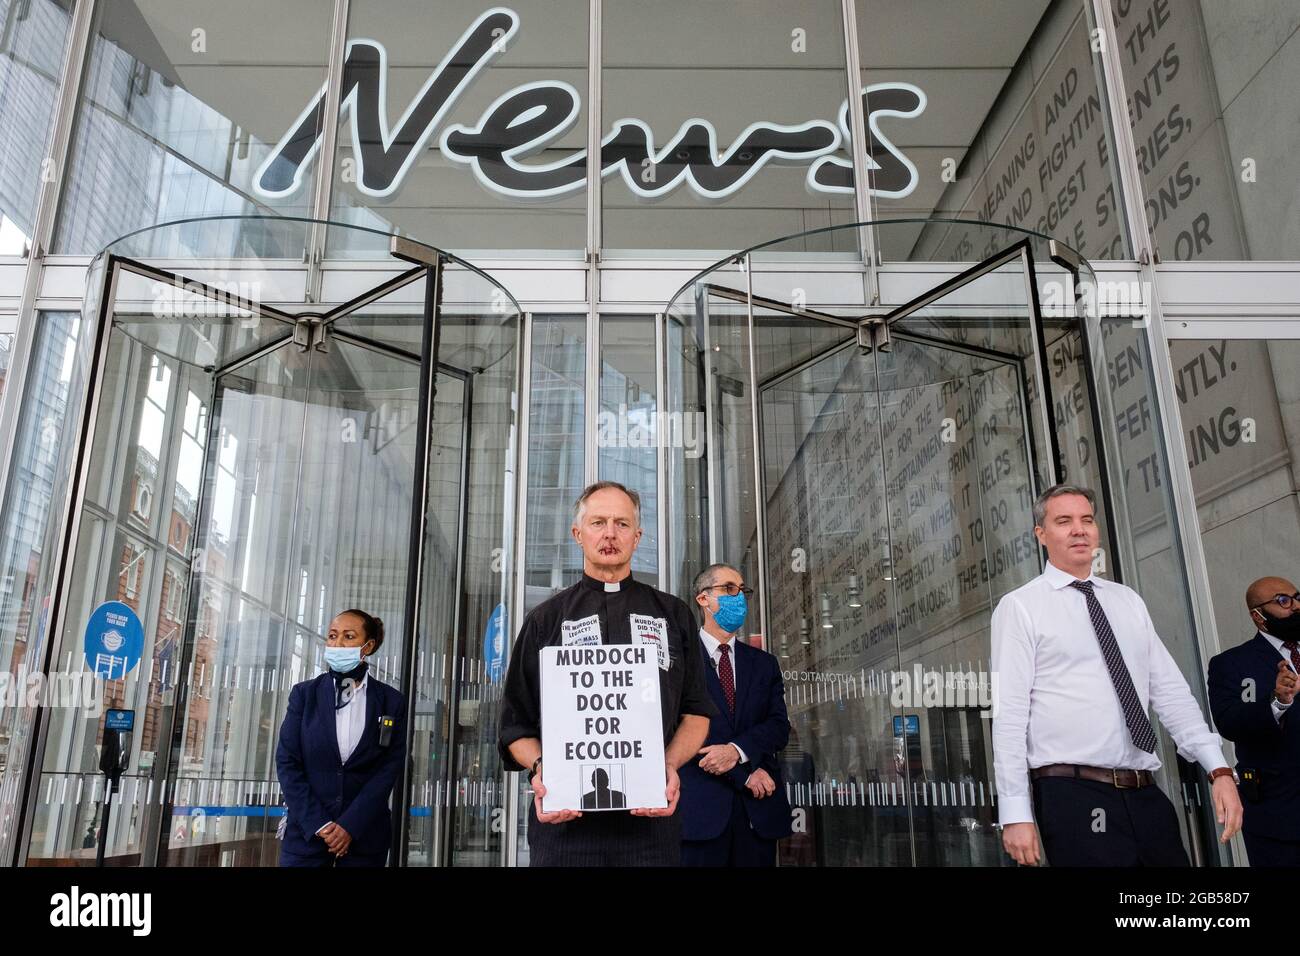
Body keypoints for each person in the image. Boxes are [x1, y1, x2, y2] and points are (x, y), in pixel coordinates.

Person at [992, 483, 1241, 866]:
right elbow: (1009, 716)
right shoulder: (1021, 607)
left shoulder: (1127, 601)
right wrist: (1015, 813)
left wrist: (1218, 769)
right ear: (1041, 534)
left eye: (1086, 520)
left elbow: (1171, 694)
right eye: (1064, 521)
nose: (1079, 529)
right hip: (1073, 794)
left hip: (1144, 791)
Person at [498, 481, 714, 866]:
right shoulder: (545, 620)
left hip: (650, 828)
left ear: (638, 536)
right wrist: (543, 767)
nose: (610, 533)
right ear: (578, 534)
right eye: (598, 522)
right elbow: (515, 726)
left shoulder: (673, 614)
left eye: (622, 523)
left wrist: (667, 765)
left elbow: (696, 712)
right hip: (565, 829)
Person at [679, 562, 792, 866]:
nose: (738, 597)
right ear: (703, 598)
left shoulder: (763, 664)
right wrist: (744, 773)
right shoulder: (680, 663)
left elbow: (779, 727)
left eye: (743, 591)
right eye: (728, 589)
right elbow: (679, 732)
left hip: (757, 815)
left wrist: (738, 752)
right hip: (700, 817)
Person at [275, 609, 406, 867]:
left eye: (348, 637)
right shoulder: (304, 695)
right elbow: (287, 762)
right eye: (333, 636)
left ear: (367, 646)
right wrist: (320, 824)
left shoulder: (391, 702)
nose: (337, 644)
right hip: (307, 837)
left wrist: (349, 826)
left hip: (365, 838)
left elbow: (388, 768)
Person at [1207, 576, 1300, 865]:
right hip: (1281, 815)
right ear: (1258, 616)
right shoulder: (1232, 664)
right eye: (1283, 601)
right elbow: (1230, 723)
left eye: (1297, 597)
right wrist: (1278, 700)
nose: (1295, 606)